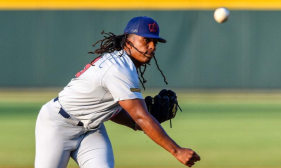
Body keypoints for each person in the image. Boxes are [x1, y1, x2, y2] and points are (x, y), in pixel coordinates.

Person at [35, 16, 200, 168]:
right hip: (57, 125)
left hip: (91, 129)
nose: (152, 47)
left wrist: (136, 124)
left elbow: (113, 110)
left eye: (155, 42)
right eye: (146, 40)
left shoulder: (124, 64)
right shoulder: (118, 69)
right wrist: (176, 150)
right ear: (128, 42)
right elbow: (141, 116)